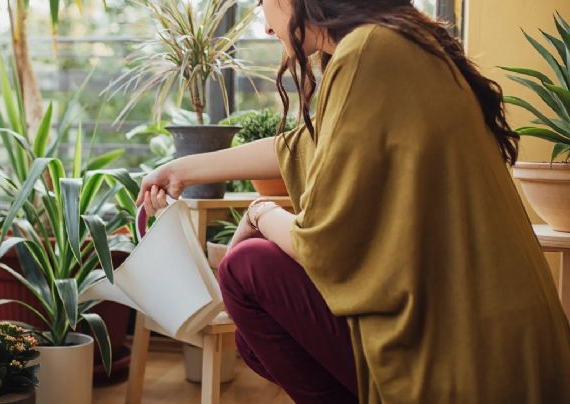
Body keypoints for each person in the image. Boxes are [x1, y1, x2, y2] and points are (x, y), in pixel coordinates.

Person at [134, 1, 570, 403]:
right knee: (252, 335)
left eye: (264, 3)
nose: (265, 25)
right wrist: (184, 169)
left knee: (245, 268)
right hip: (511, 343)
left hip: (465, 358)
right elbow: (303, 144)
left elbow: (324, 246)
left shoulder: (367, 52)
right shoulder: (400, 44)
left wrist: (260, 213)